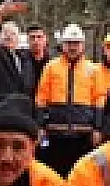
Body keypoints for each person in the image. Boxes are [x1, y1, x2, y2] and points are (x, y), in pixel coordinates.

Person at [35, 23, 102, 177]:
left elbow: (99, 100)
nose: (72, 47)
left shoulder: (93, 69)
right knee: (55, 176)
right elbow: (41, 98)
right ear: (63, 45)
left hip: (83, 135)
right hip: (55, 135)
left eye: (76, 43)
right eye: (69, 43)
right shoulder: (50, 67)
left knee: (81, 176)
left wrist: (97, 128)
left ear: (82, 45)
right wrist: (40, 126)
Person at [0, 0, 36, 100]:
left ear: (18, 38)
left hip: (23, 110)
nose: (9, 36)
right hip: (0, 110)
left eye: (13, 34)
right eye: (5, 33)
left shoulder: (26, 58)